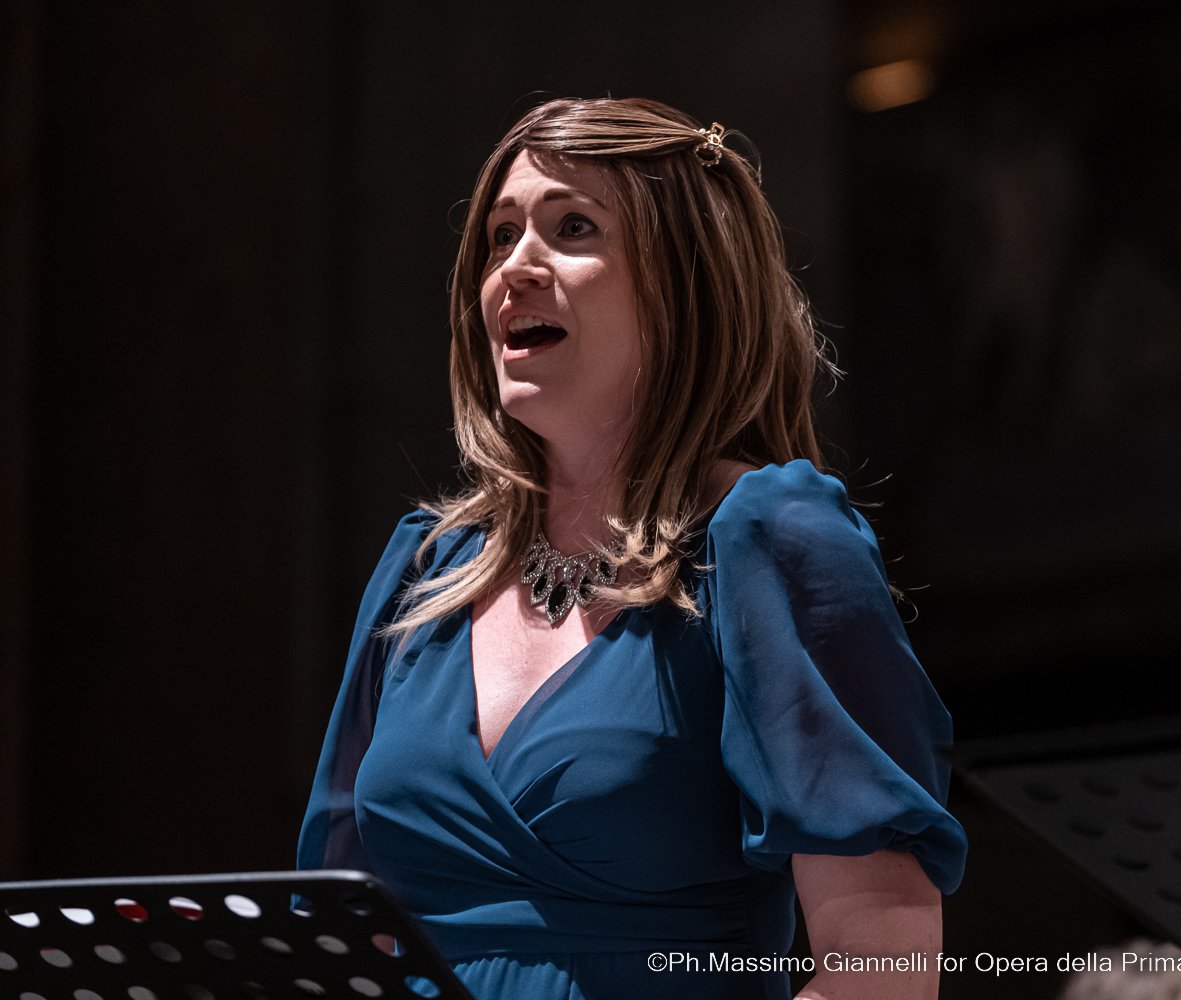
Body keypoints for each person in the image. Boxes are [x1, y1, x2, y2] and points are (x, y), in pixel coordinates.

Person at [297, 97, 967, 1000]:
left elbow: (880, 965)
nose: (514, 269)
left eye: (572, 227)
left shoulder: (766, 539)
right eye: (499, 237)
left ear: (682, 283)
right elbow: (341, 938)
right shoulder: (427, 569)